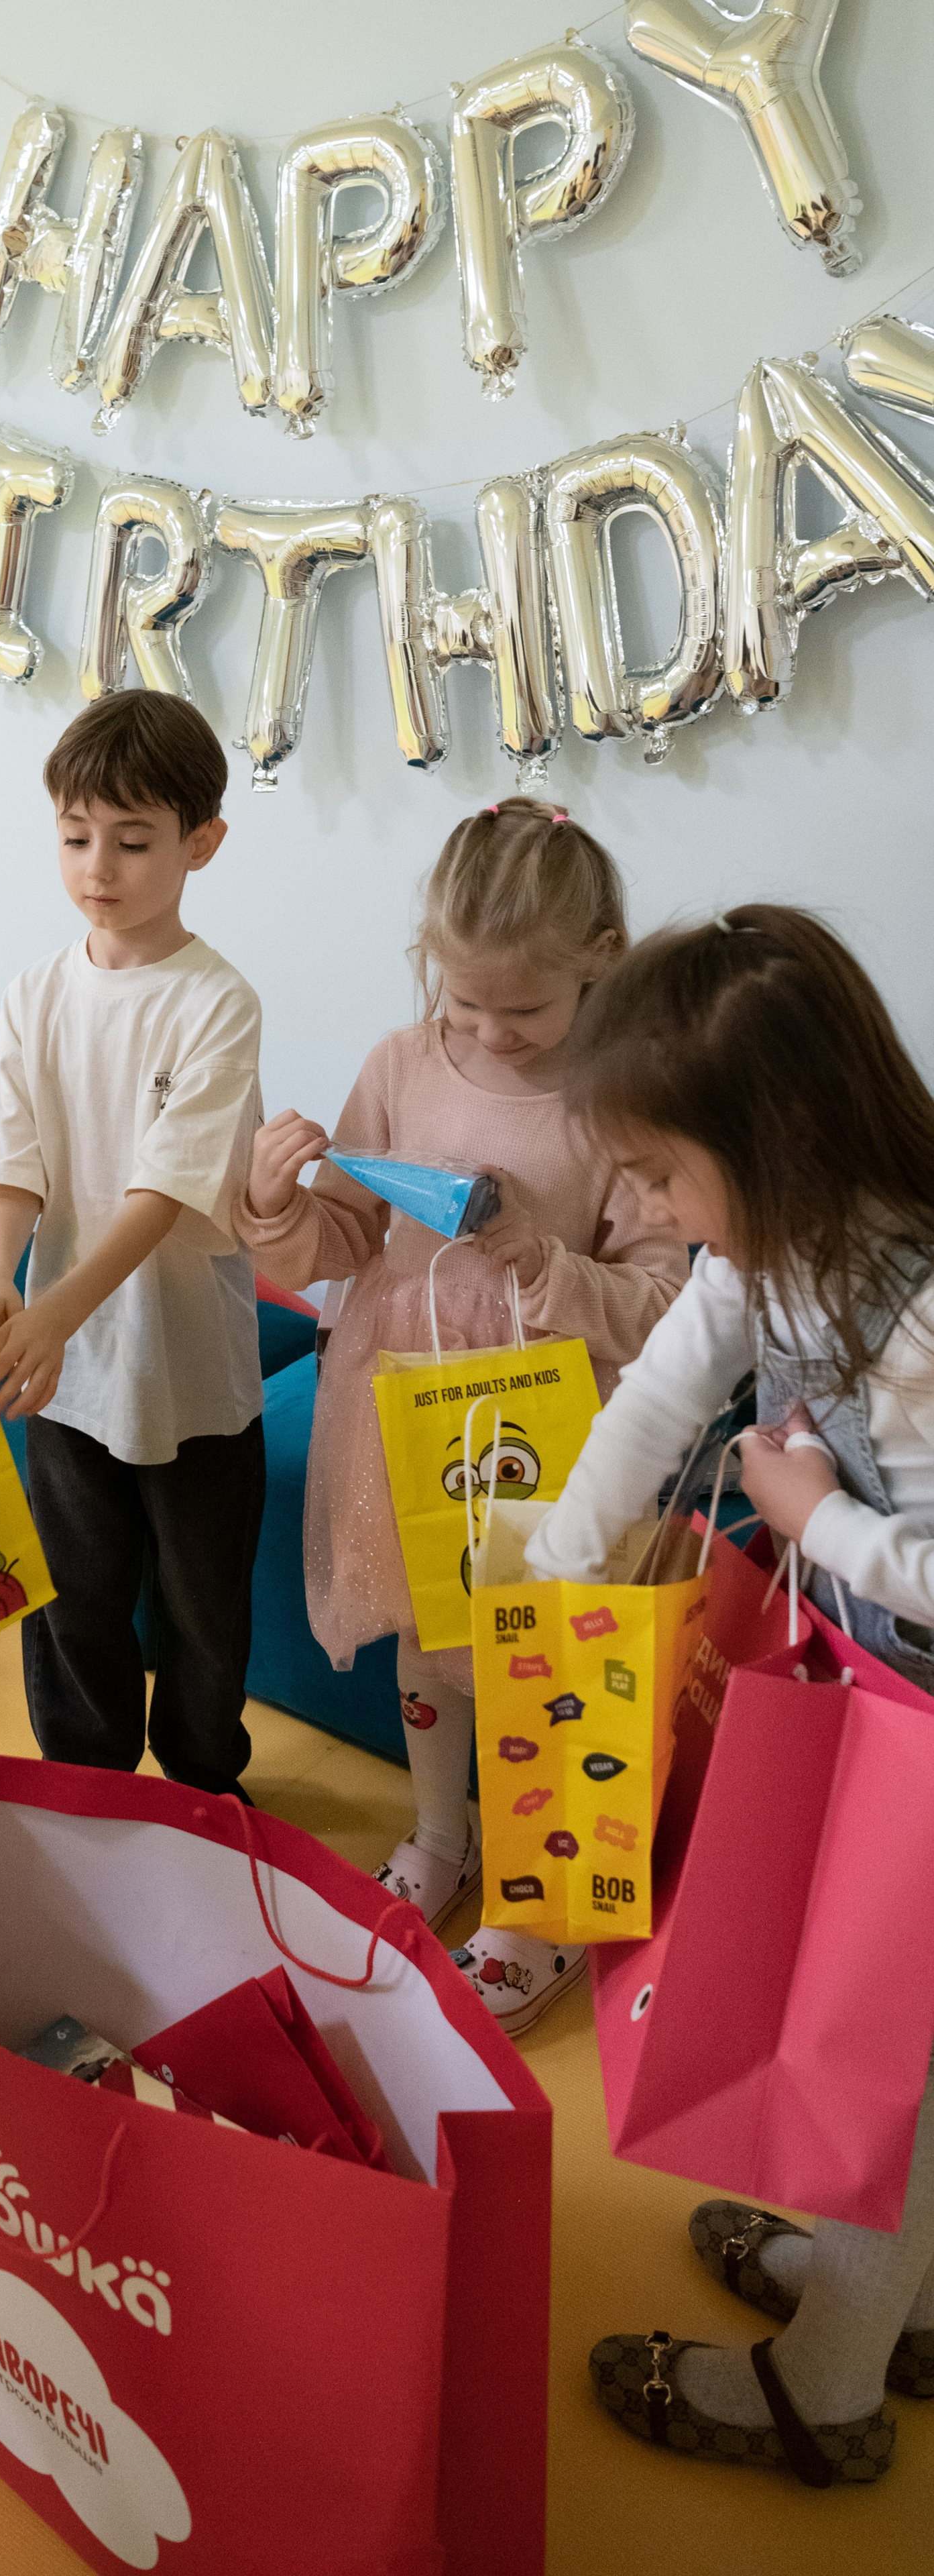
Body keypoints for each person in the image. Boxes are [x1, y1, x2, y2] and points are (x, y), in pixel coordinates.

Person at [523, 906, 934, 2485]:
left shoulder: (914, 1313)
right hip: (877, 1696)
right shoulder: (766, 1246)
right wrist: (549, 1582)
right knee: (888, 2042)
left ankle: (822, 2389)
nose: (639, 1208)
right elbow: (655, 1400)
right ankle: (888, 2299)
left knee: (883, 2058)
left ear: (770, 1148)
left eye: (658, 1173)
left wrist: (810, 1525)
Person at [235, 798, 687, 2032]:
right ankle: (443, 1835)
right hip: (406, 1396)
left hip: (551, 1423)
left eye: (522, 1009)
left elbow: (663, 1305)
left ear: (600, 959)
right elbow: (345, 1237)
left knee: (542, 1655)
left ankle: (543, 1902)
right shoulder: (400, 1062)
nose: (488, 1030)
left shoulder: (626, 1097)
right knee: (429, 1629)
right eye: (463, 1000)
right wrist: (275, 1206)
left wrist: (544, 1258)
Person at [0, 694, 265, 1794]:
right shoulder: (35, 993)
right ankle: (87, 1784)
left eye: (132, 842)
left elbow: (166, 1189)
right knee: (70, 1589)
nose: (98, 867)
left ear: (201, 844)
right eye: (76, 837)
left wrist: (54, 1313)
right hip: (65, 1374)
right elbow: (13, 1153)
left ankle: (203, 1783)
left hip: (191, 1368)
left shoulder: (217, 1002)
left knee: (202, 1604)